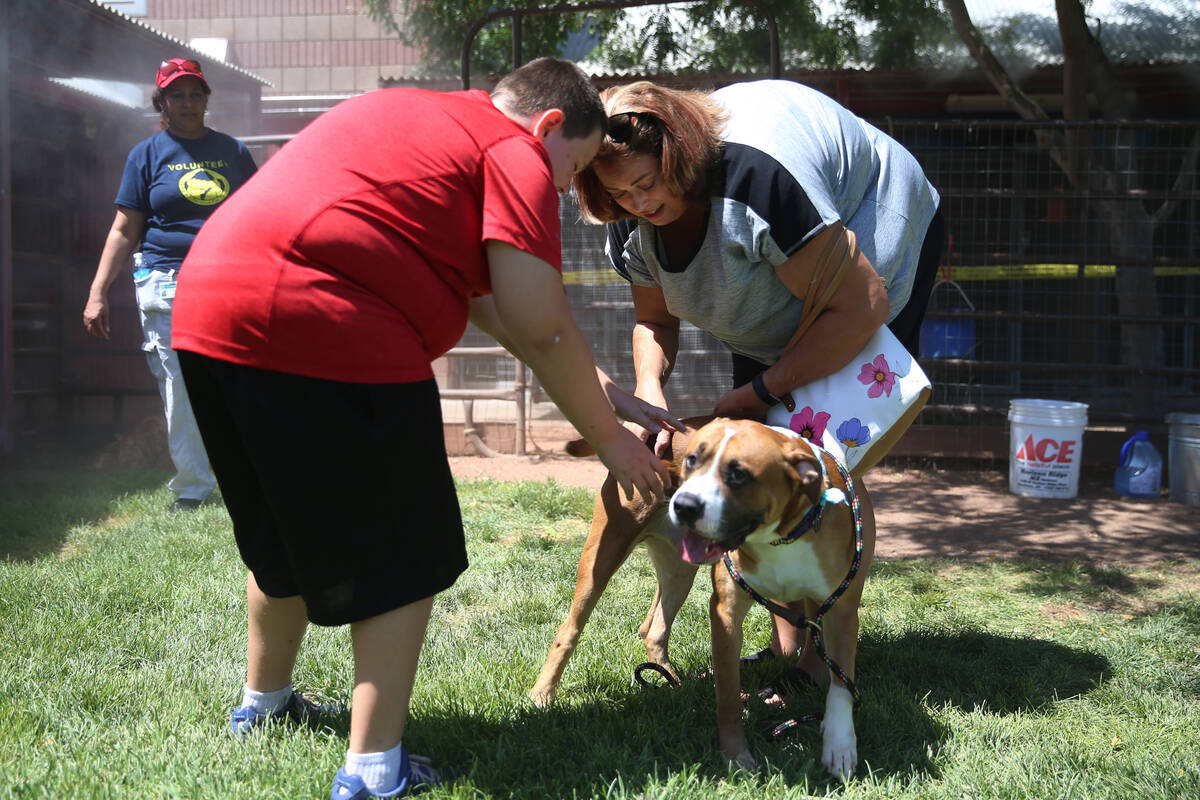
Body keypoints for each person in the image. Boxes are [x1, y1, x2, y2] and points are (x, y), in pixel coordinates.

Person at [170, 58, 675, 800]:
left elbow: (494, 306)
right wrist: (611, 442)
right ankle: (375, 772)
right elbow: (542, 327)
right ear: (550, 126)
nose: (561, 190)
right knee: (405, 549)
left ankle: (264, 706)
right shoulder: (514, 151)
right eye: (568, 175)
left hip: (209, 310)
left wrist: (607, 395)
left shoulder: (429, 122)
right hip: (322, 315)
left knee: (281, 536)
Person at [573, 79, 945, 697]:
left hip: (871, 236)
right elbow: (654, 319)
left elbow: (863, 304)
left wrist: (762, 388)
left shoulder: (757, 182)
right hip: (778, 266)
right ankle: (787, 645)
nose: (639, 202)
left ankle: (818, 664)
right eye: (619, 193)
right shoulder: (630, 222)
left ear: (680, 159)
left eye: (648, 184)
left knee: (815, 452)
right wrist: (649, 389)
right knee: (760, 446)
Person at [83, 58, 257, 512]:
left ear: (206, 100)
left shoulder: (235, 153)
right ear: (162, 102)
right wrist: (97, 292)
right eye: (176, 95)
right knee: (180, 386)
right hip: (166, 280)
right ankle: (193, 489)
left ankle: (248, 477)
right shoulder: (147, 154)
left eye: (195, 93)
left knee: (237, 379)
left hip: (227, 278)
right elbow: (124, 230)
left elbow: (260, 218)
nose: (187, 102)